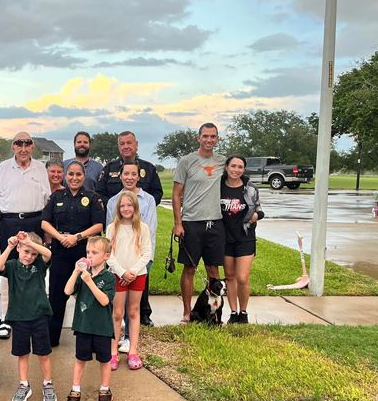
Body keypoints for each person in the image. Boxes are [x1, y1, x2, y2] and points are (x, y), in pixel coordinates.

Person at [0, 132, 51, 339]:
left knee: (35, 269)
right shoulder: (3, 167)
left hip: (35, 221)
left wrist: (47, 232)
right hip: (9, 222)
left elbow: (48, 200)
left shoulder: (40, 168)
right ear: (13, 147)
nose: (23, 148)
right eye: (18, 144)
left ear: (32, 147)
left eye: (27, 144)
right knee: (9, 270)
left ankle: (33, 314)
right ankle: (7, 317)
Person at [40, 161, 104, 347]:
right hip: (60, 252)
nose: (74, 178)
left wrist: (77, 237)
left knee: (87, 294)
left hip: (83, 252)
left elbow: (99, 226)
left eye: (78, 174)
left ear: (84, 176)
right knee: (57, 296)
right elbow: (45, 222)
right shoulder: (56, 196)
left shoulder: (92, 197)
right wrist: (60, 237)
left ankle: (89, 339)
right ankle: (52, 338)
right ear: (65, 176)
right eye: (71, 174)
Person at [172, 123, 227, 324]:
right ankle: (187, 313)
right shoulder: (186, 161)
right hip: (191, 223)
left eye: (213, 137)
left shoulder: (222, 161)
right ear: (198, 138)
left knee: (213, 269)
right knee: (190, 269)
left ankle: (214, 314)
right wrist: (178, 223)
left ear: (217, 139)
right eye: (205, 136)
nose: (209, 140)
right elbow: (177, 194)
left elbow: (237, 178)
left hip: (215, 223)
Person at [0, 231, 56, 401]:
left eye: (34, 253)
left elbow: (48, 254)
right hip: (19, 318)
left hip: (39, 316)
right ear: (19, 249)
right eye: (26, 252)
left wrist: (30, 243)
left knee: (43, 353)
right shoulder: (12, 266)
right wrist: (11, 246)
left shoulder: (40, 265)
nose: (30, 256)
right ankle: (24, 385)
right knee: (22, 353)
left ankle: (47, 383)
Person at [63, 236, 117, 401]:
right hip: (83, 325)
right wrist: (75, 272)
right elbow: (67, 290)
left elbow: (104, 300)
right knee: (80, 359)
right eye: (88, 252)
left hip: (102, 327)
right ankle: (76, 388)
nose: (90, 255)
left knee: (104, 359)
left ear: (106, 256)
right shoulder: (83, 274)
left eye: (94, 252)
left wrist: (89, 281)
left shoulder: (108, 277)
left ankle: (104, 389)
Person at [105, 162, 158, 332]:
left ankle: (129, 338)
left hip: (140, 260)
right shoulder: (113, 201)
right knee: (118, 308)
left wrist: (136, 267)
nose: (129, 177)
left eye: (133, 174)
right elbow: (110, 237)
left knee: (134, 306)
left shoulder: (148, 200)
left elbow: (149, 231)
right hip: (118, 264)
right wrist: (120, 270)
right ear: (120, 176)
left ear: (139, 176)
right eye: (126, 174)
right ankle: (117, 338)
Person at [106, 191, 151, 370]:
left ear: (135, 207)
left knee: (133, 311)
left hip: (137, 275)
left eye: (129, 205)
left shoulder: (143, 228)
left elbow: (147, 253)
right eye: (122, 205)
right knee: (117, 313)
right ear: (118, 208)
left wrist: (132, 272)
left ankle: (133, 350)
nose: (126, 208)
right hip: (117, 274)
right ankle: (113, 352)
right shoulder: (112, 228)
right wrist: (122, 272)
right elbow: (108, 254)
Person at [221, 155, 264, 324]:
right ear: (226, 167)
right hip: (225, 237)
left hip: (245, 237)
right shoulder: (218, 187)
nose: (236, 170)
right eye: (233, 166)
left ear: (243, 170)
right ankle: (233, 313)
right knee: (230, 276)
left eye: (240, 167)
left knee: (242, 277)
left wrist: (255, 216)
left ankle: (243, 312)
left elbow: (260, 209)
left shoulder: (250, 188)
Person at [95, 131, 163, 206]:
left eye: (129, 143)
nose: (126, 146)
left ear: (136, 144)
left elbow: (157, 194)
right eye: (122, 144)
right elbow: (100, 193)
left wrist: (140, 207)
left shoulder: (149, 168)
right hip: (115, 215)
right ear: (118, 147)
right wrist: (117, 207)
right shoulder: (109, 168)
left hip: (142, 215)